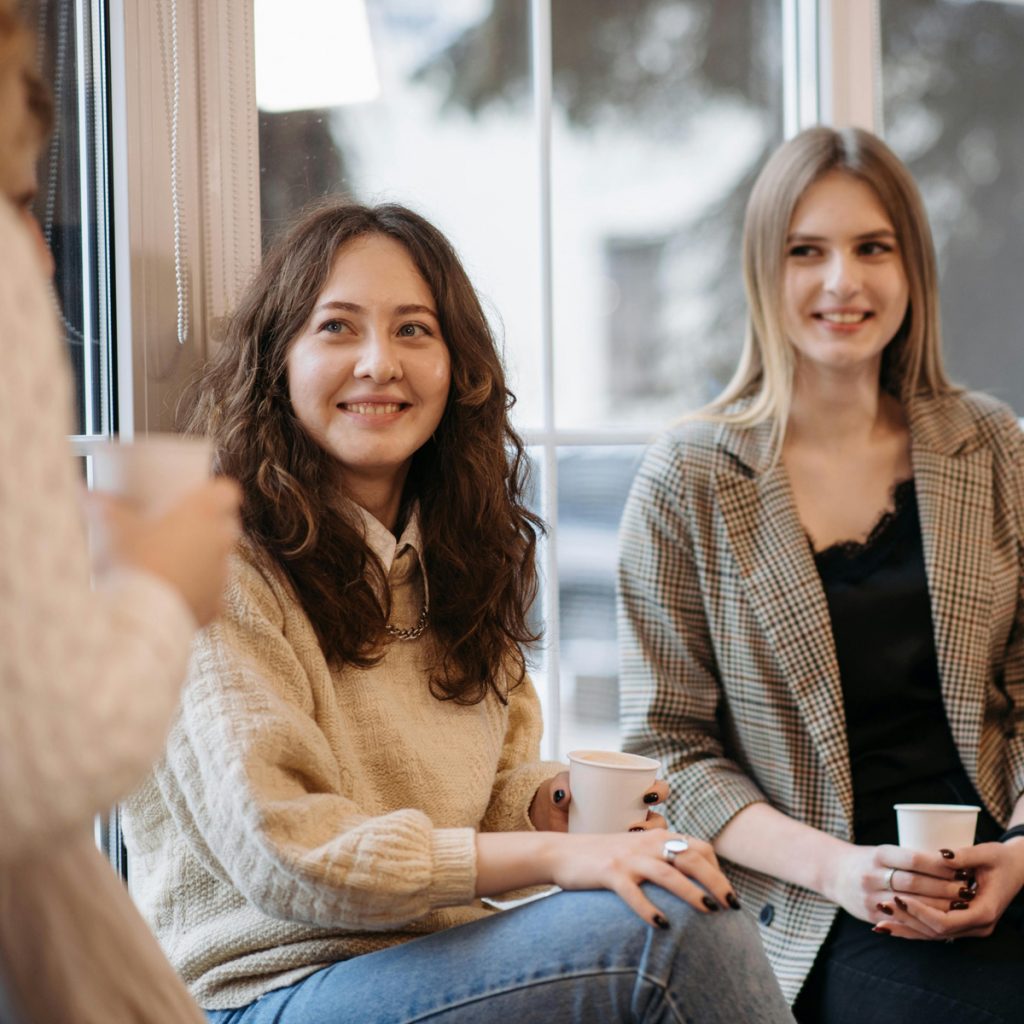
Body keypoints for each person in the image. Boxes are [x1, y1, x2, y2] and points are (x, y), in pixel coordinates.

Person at [122, 198, 795, 1023]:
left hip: (431, 960)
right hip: (261, 993)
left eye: (414, 330)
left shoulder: (460, 558)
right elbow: (289, 855)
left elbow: (494, 789)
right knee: (672, 933)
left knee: (685, 887)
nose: (379, 363)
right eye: (338, 327)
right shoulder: (219, 565)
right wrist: (560, 856)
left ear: (457, 366)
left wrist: (557, 805)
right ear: (279, 362)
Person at [618, 124, 1024, 1023]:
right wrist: (842, 869)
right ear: (769, 272)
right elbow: (669, 751)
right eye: (809, 251)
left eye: (871, 248)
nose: (843, 280)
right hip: (819, 900)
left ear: (910, 267)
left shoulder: (990, 446)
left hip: (1003, 864)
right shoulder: (689, 479)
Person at [0, 4, 240, 1020]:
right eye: (18, 196)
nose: (40, 259)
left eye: (417, 329)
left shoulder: (460, 552)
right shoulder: (237, 544)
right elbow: (41, 758)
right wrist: (158, 589)